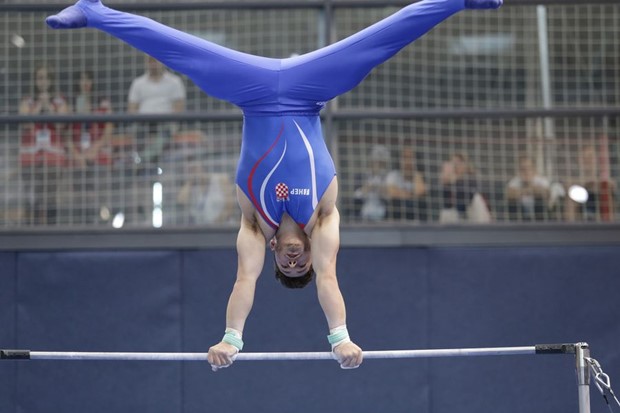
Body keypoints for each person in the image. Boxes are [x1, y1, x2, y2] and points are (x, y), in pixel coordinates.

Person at [46, 0, 502, 370]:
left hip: (251, 94)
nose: (296, 259)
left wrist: (231, 339)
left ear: (277, 260)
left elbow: (245, 278)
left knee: (178, 50)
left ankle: (96, 12)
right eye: (301, 262)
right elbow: (329, 276)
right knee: (377, 43)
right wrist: (340, 338)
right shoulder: (323, 219)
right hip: (309, 92)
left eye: (289, 267)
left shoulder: (252, 224)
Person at [18, 64, 69, 225]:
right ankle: (29, 231)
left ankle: (50, 229)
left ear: (51, 80)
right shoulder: (28, 100)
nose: (43, 81)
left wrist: (49, 106)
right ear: (35, 80)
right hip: (31, 157)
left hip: (53, 158)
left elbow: (62, 124)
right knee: (31, 196)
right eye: (40, 77)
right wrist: (40, 104)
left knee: (50, 196)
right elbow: (25, 123)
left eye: (46, 77)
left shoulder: (60, 100)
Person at [68, 69, 114, 225]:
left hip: (99, 156)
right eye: (82, 79)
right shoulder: (71, 104)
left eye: (88, 79)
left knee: (101, 195)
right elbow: (66, 133)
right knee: (81, 197)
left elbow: (109, 128)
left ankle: (103, 224)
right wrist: (77, 155)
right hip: (78, 158)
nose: (85, 83)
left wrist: (95, 148)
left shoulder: (102, 102)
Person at [564, 145, 616, 222]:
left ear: (596, 160)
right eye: (584, 158)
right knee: (572, 194)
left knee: (606, 191)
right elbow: (567, 184)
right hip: (580, 205)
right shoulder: (574, 178)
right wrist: (586, 183)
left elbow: (612, 184)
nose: (587, 161)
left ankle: (608, 224)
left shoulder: (602, 176)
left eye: (590, 157)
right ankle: (571, 227)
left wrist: (597, 184)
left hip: (597, 203)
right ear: (579, 160)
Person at [505, 155, 552, 221]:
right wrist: (529, 190)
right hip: (521, 215)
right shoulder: (515, 181)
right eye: (523, 169)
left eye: (528, 168)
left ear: (534, 169)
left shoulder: (542, 180)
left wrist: (528, 185)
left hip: (538, 215)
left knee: (541, 201)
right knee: (512, 203)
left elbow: (546, 193)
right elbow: (509, 195)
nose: (526, 171)